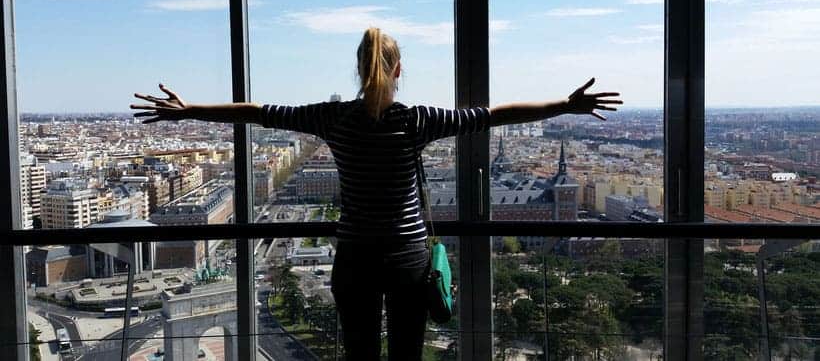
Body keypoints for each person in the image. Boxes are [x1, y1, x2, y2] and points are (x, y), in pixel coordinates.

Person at [131, 27, 622, 360]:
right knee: (407, 351)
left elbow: (258, 111)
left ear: (358, 69)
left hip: (355, 255)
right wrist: (565, 104)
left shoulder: (332, 117)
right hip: (408, 256)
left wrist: (189, 109)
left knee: (359, 353)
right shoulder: (416, 120)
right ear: (398, 70)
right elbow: (496, 114)